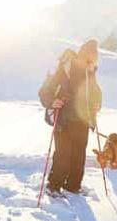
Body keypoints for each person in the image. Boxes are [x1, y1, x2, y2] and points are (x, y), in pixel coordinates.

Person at [39, 40, 102, 194]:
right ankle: (54, 186)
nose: (92, 59)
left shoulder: (90, 72)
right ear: (83, 53)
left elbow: (96, 93)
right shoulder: (65, 69)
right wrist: (53, 101)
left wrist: (97, 104)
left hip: (83, 121)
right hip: (64, 120)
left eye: (94, 56)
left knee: (79, 156)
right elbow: (44, 91)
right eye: (91, 55)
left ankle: (73, 186)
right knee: (63, 154)